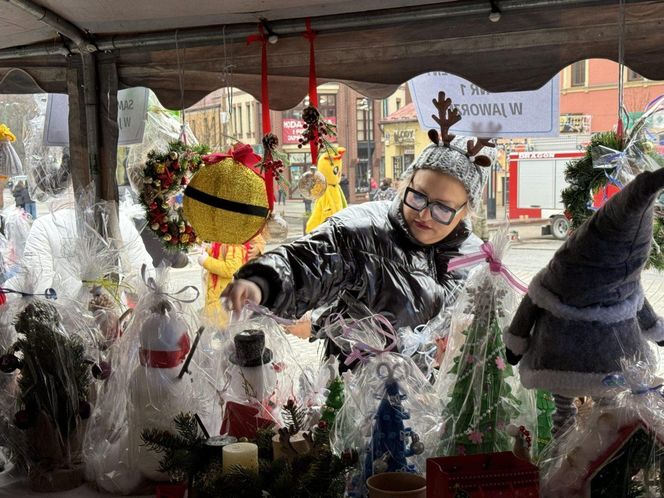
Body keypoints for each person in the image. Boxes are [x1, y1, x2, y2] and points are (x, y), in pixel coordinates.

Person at [224, 129, 496, 368]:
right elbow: (311, 260)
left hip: (440, 407)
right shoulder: (363, 230)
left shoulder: (477, 258)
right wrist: (263, 282)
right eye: (418, 196)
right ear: (406, 184)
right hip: (358, 399)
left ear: (465, 211)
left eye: (442, 208)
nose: (424, 214)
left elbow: (486, 330)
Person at [199, 234, 266, 324]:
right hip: (216, 289)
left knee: (223, 323)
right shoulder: (223, 236)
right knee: (214, 320)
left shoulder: (235, 244)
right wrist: (208, 249)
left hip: (226, 292)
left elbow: (230, 269)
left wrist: (206, 261)